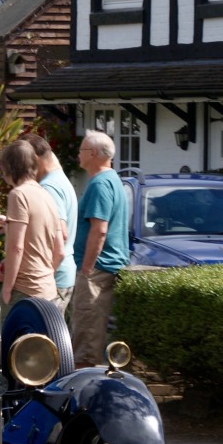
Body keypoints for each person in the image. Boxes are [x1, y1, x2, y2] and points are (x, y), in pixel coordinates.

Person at [70, 130, 130, 368]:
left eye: (81, 150)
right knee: (91, 336)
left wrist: (86, 268)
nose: (78, 154)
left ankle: (82, 396)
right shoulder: (112, 179)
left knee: (86, 341)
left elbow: (100, 229)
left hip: (97, 270)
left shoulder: (100, 183)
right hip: (105, 267)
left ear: (93, 154)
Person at [0, 140, 64, 313]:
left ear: (10, 168)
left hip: (23, 290)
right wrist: (46, 276)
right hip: (48, 291)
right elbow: (59, 250)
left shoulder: (18, 194)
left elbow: (16, 248)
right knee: (41, 340)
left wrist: (7, 288)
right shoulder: (47, 195)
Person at [21, 133, 78, 315]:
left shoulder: (49, 187)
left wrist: (45, 277)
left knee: (45, 339)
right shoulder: (60, 180)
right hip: (63, 274)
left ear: (36, 159)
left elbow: (60, 236)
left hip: (54, 277)